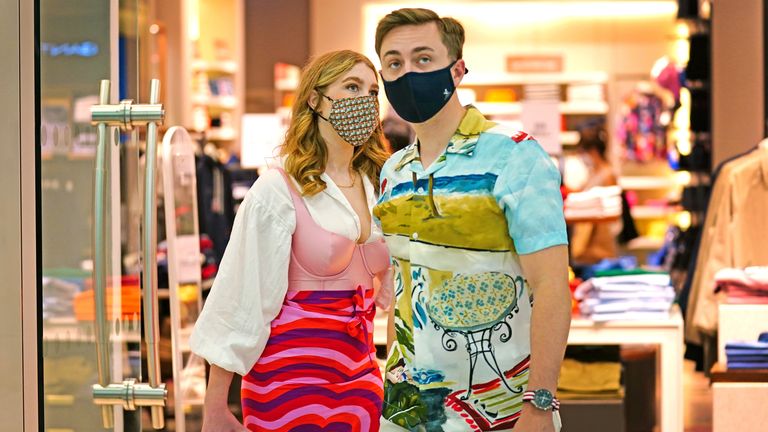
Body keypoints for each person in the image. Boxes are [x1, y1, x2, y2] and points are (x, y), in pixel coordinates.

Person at [372, 8, 571, 431]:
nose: (408, 73)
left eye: (423, 59)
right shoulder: (394, 172)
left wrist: (540, 405)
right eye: (394, 63)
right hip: (408, 411)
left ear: (457, 69)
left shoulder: (515, 155)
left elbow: (552, 285)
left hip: (503, 409)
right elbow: (404, 288)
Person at [190, 50, 392, 432]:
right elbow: (241, 295)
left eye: (371, 92)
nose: (364, 101)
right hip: (286, 382)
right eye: (351, 87)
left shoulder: (379, 186)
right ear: (315, 99)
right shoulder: (279, 188)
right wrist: (215, 405)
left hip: (362, 378)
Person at [570, 133, 622, 264]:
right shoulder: (593, 172)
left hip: (601, 239)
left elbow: (613, 210)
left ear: (593, 150)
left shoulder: (608, 173)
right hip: (588, 238)